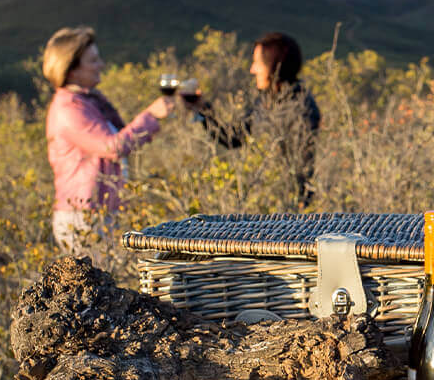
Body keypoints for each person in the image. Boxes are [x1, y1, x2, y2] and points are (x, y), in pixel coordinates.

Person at [43, 26, 177, 253]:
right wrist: (151, 115)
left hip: (100, 213)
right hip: (82, 218)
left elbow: (123, 138)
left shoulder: (90, 101)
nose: (101, 65)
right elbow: (113, 147)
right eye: (93, 60)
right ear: (71, 70)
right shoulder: (69, 108)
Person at [190, 32, 322, 204]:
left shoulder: (300, 109)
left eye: (257, 63)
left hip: (284, 209)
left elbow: (301, 170)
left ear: (275, 66)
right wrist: (204, 111)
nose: (252, 70)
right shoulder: (266, 100)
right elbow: (234, 138)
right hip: (261, 201)